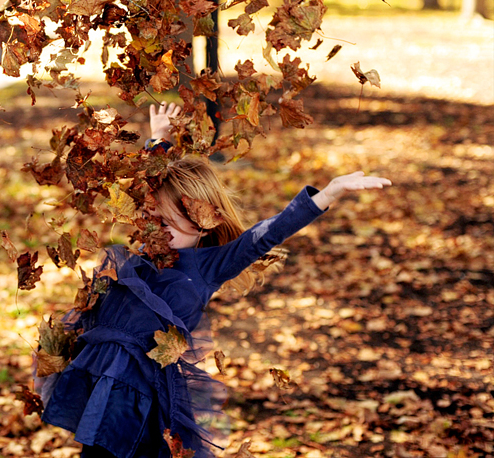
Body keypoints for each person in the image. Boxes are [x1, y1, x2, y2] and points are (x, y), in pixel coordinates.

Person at [37, 102, 392, 458]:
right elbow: (147, 185)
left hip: (143, 391)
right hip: (103, 371)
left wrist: (327, 194)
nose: (155, 230)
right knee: (95, 448)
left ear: (204, 218)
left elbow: (266, 235)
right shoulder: (144, 252)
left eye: (169, 222)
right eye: (151, 218)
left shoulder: (209, 265)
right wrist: (158, 140)